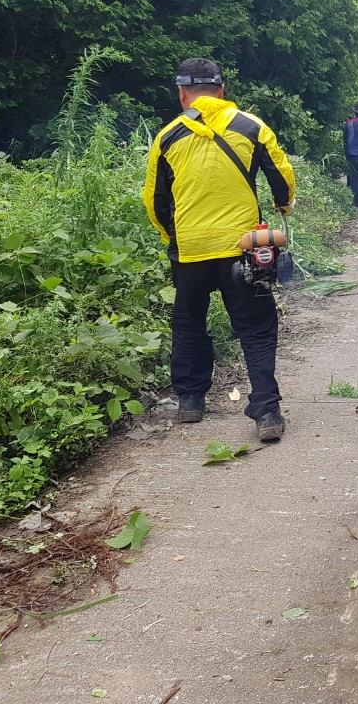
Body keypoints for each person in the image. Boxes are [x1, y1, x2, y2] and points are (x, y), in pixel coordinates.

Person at [142, 57, 295, 442]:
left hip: (190, 247)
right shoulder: (251, 127)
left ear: (182, 94)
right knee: (256, 327)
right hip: (244, 248)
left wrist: (172, 238)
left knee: (189, 319)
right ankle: (266, 411)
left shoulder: (167, 137)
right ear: (222, 91)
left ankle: (191, 401)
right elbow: (282, 180)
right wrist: (284, 208)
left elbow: (155, 203)